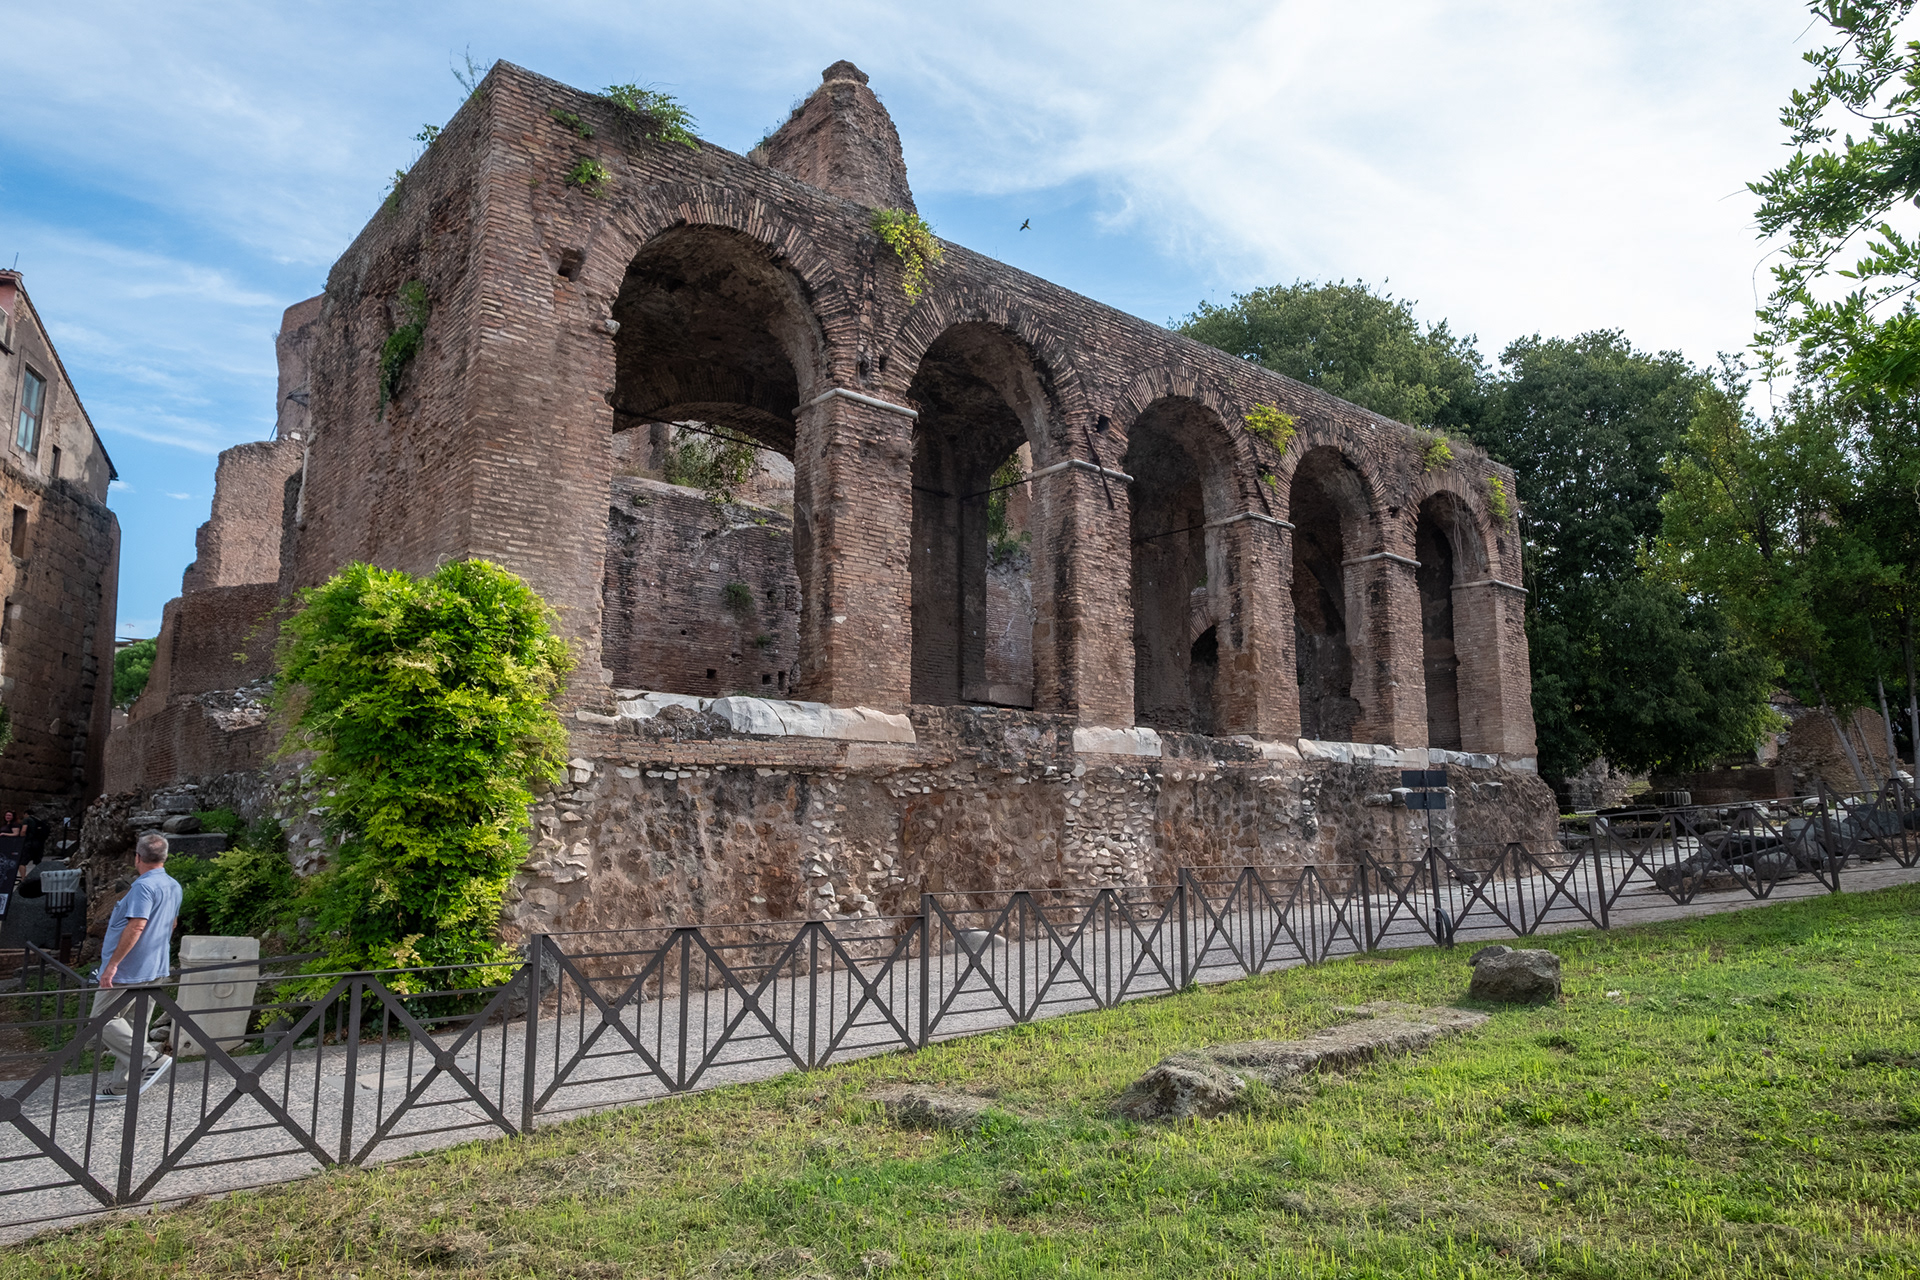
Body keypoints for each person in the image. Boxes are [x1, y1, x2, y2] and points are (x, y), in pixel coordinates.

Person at [91, 832, 182, 1100]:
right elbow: (172, 924)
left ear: (137, 858)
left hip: (128, 970)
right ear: (164, 857)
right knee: (134, 1027)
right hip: (156, 967)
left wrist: (112, 965)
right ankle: (124, 1085)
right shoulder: (174, 885)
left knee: (101, 1019)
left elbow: (137, 925)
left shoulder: (143, 887)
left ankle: (151, 1059)